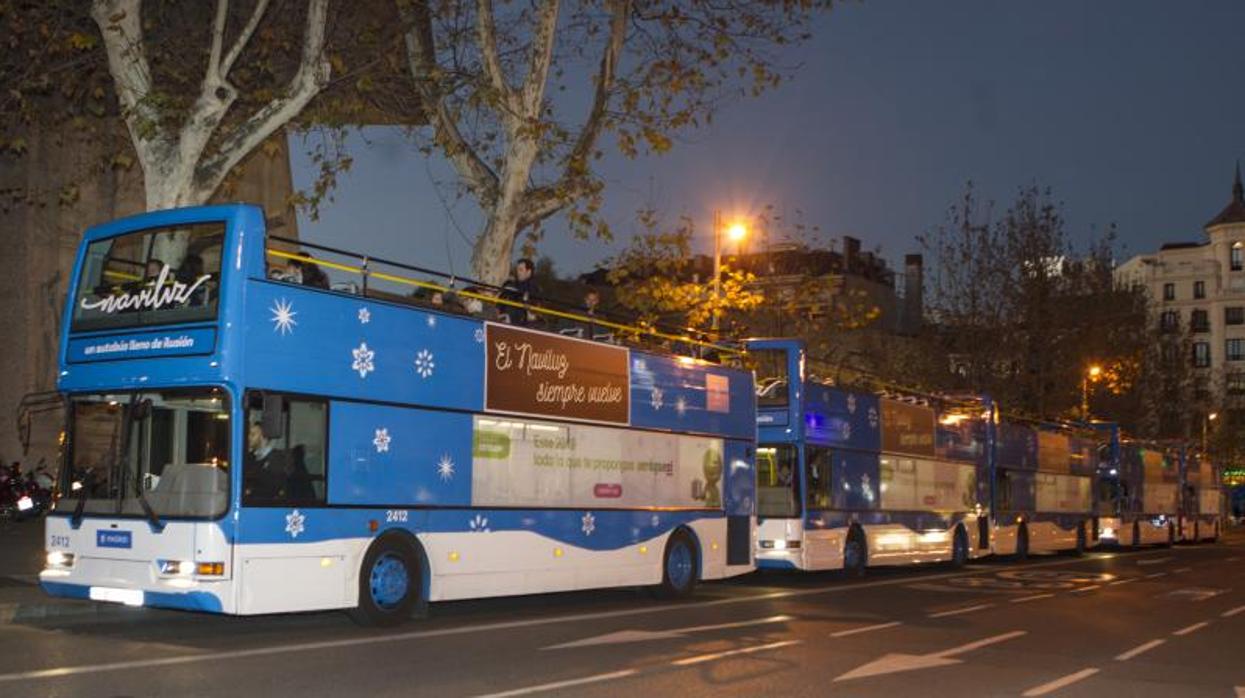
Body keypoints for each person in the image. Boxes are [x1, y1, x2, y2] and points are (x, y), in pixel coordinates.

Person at [243, 422, 288, 500]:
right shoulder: (250, 457)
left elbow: (274, 487)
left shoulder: (276, 458)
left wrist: (250, 491)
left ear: (264, 437)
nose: (249, 437)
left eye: (253, 434)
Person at [500, 258, 537, 326]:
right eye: (517, 270)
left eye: (521, 270)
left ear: (528, 272)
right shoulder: (510, 285)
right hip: (504, 322)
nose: (518, 272)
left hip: (522, 325)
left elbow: (533, 309)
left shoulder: (534, 289)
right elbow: (499, 304)